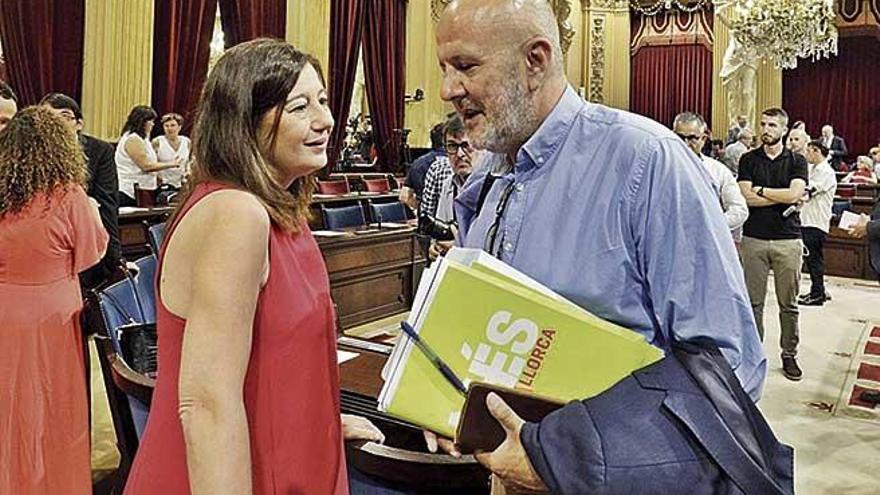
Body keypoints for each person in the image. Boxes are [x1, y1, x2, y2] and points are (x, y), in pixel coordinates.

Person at [433, 2, 785, 494]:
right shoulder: (489, 176)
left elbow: (725, 371)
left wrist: (566, 462)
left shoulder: (646, 161)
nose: (448, 89)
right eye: (444, 70)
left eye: (466, 66)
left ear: (536, 61)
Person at [123, 39, 383, 495]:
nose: (325, 119)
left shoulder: (279, 212)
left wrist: (321, 417)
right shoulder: (236, 213)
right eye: (300, 107)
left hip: (283, 454)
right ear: (246, 120)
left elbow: (269, 357)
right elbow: (206, 403)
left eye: (322, 101)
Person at [0, 106, 108, 495]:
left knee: (8, 408)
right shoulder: (68, 194)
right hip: (55, 313)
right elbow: (93, 250)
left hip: (6, 309)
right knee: (57, 406)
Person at [738, 108, 808, 382]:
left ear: (784, 129)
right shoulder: (748, 159)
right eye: (763, 124)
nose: (766, 129)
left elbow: (795, 193)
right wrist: (784, 198)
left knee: (788, 303)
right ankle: (754, 354)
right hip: (754, 237)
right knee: (753, 302)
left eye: (772, 125)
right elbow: (745, 197)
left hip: (788, 239)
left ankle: (789, 353)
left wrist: (762, 191)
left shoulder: (796, 161)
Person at [40, 92, 120, 289]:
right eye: (49, 118)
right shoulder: (35, 154)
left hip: (90, 240)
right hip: (50, 246)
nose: (57, 123)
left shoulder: (100, 150)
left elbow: (107, 201)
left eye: (65, 117)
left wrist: (113, 252)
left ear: (79, 123)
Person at [672, 112, 748, 242]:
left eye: (692, 138)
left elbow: (739, 209)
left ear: (703, 138)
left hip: (707, 241)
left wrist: (711, 225)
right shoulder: (659, 167)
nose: (685, 143)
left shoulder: (718, 171)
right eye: (680, 137)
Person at [115, 105, 179, 206]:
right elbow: (146, 166)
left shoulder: (143, 139)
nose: (153, 124)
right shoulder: (132, 139)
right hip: (130, 191)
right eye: (151, 121)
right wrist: (172, 164)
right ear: (143, 122)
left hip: (145, 189)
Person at [798, 140, 837, 306]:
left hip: (816, 221)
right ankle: (818, 289)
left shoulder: (826, 172)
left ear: (817, 151)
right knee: (811, 258)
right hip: (806, 219)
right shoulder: (812, 169)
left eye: (809, 151)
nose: (806, 154)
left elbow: (810, 190)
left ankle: (817, 294)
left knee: (814, 259)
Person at [400, 121, 446, 210]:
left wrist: (421, 209)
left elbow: (404, 196)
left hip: (426, 217)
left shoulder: (418, 163)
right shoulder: (457, 161)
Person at [152, 112, 192, 189]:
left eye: (173, 125)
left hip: (182, 184)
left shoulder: (186, 141)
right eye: (166, 126)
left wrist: (188, 172)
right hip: (163, 185)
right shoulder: (157, 142)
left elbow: (190, 161)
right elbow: (152, 163)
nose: (169, 128)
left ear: (179, 127)